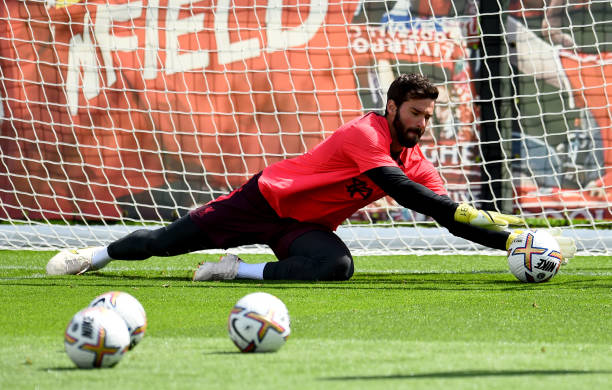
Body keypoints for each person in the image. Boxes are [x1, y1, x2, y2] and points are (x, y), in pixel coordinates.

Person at [46, 74, 575, 281]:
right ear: (392, 108)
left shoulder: (416, 158)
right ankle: (91, 258)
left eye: (428, 117)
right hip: (265, 202)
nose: (422, 124)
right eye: (415, 113)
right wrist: (492, 222)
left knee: (336, 266)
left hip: (300, 227)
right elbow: (403, 192)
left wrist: (511, 241)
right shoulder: (362, 135)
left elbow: (450, 221)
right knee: (162, 242)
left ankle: (237, 271)